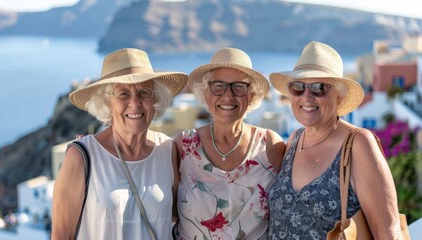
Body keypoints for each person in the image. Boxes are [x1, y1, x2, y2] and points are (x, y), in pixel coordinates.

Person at [267, 41, 402, 239]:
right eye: (298, 87)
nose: (306, 97)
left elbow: (388, 230)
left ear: (339, 97)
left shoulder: (358, 144)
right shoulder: (294, 140)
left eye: (319, 88)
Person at [52, 48, 188, 240]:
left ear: (155, 98)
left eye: (144, 92)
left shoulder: (167, 149)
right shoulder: (82, 156)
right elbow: (61, 236)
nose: (135, 103)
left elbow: (175, 220)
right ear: (107, 102)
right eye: (123, 94)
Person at [173, 47, 286, 239]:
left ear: (251, 95)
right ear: (206, 94)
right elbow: (168, 210)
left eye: (239, 87)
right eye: (218, 86)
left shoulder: (269, 145)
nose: (228, 95)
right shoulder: (183, 146)